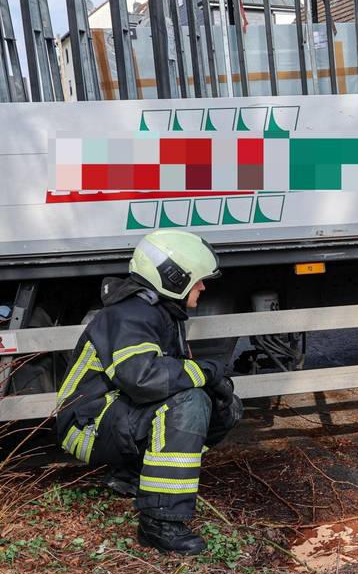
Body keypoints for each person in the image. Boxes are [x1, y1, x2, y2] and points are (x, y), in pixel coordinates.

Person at [54, 231, 242, 555]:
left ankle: (130, 474)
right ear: (174, 277)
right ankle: (159, 523)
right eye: (197, 280)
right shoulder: (132, 314)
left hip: (106, 416)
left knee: (221, 407)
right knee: (190, 403)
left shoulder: (157, 312)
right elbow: (143, 379)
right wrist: (208, 373)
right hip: (85, 426)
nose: (203, 287)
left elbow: (162, 377)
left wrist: (212, 386)